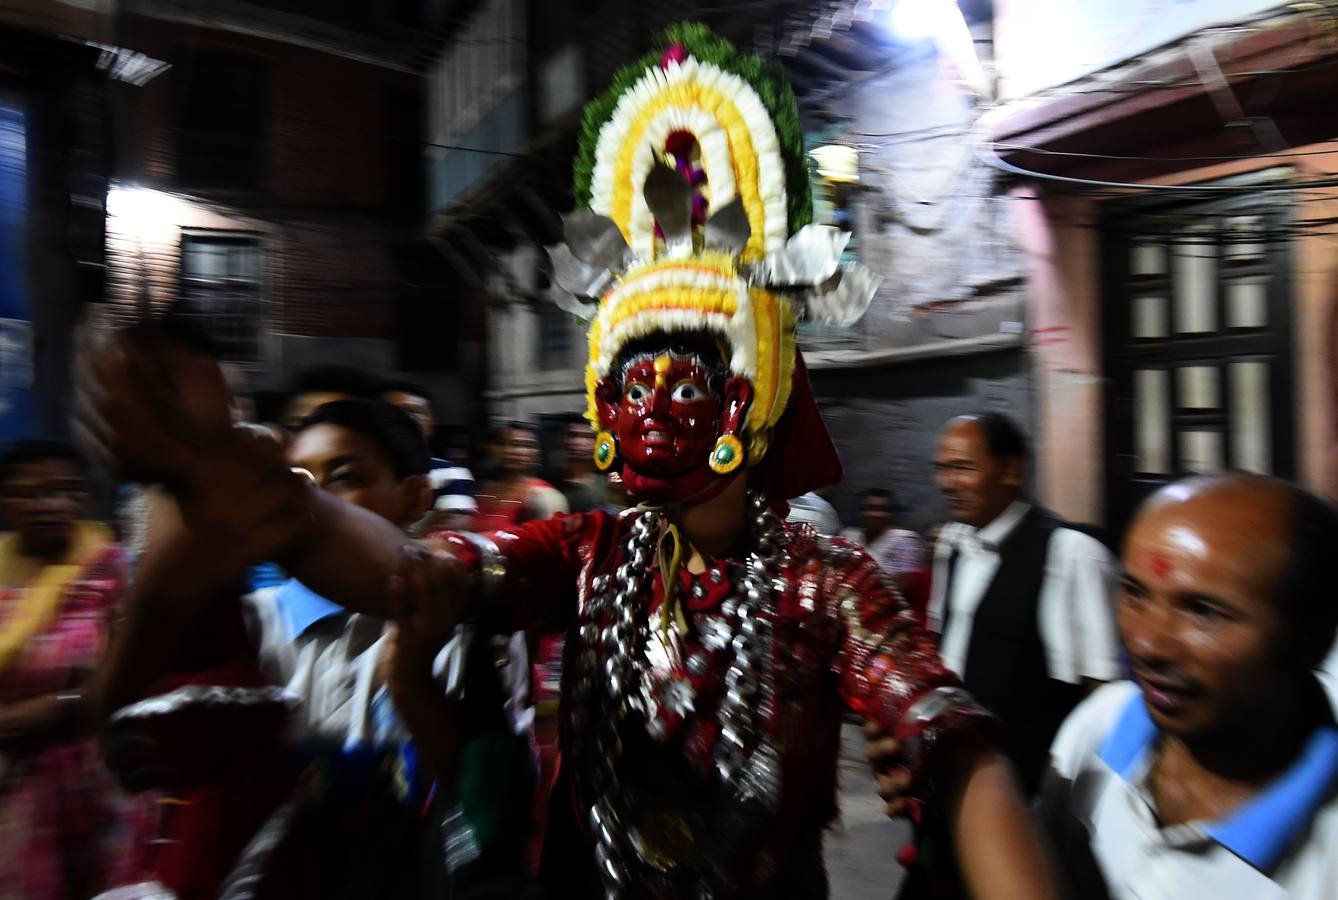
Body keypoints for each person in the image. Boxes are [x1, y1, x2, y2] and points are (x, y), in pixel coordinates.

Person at [83, 23, 1063, 900]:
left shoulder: (825, 579)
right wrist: (269, 501)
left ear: (746, 398)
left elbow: (951, 743)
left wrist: (969, 793)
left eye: (680, 383)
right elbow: (417, 577)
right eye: (629, 386)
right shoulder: (585, 551)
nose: (649, 411)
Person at [1039, 474, 1338, 899]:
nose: (1146, 645)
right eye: (1135, 594)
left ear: (1313, 640)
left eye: (1204, 611)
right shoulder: (1100, 728)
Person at [929, 412, 1121, 794]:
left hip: (1028, 786)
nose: (947, 483)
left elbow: (1103, 697)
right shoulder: (952, 545)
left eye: (963, 468)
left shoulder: (1070, 555)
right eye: (942, 469)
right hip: (954, 773)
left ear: (1011, 471)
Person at [0, 441, 147, 899]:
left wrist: (61, 705)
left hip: (92, 778)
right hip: (9, 782)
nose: (54, 505)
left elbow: (138, 667)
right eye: (34, 494)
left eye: (68, 490)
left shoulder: (108, 570)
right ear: (6, 500)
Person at [380, 379, 478, 532]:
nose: (407, 420)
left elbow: (452, 527)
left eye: (415, 412)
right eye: (396, 412)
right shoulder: (361, 471)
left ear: (431, 424)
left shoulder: (452, 473)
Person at [843, 488, 930, 619]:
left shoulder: (905, 540)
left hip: (885, 614)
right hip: (847, 608)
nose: (875, 514)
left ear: (892, 513)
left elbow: (899, 588)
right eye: (869, 508)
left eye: (882, 510)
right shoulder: (849, 536)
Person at [473, 422, 567, 531]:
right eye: (502, 443)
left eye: (524, 445)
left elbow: (549, 542)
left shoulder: (543, 496)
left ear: (536, 452)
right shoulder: (484, 490)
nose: (510, 450)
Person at [557, 415, 618, 514]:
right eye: (572, 435)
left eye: (586, 436)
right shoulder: (553, 485)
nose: (577, 442)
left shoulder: (609, 486)